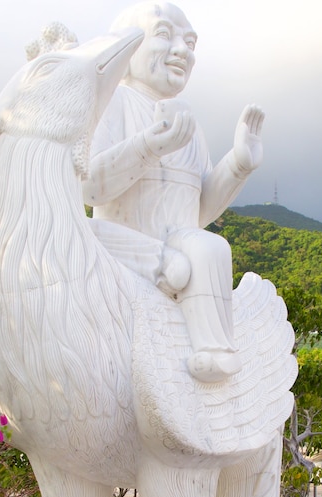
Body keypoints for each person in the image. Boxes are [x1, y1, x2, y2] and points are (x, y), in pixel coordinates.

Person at [83, 2, 265, 383]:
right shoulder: (112, 102)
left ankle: (216, 353)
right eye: (165, 35)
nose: (182, 50)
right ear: (127, 45)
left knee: (211, 246)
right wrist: (148, 146)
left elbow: (198, 210)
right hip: (122, 247)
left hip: (181, 244)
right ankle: (166, 265)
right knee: (84, 233)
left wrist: (238, 164)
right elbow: (90, 188)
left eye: (190, 41)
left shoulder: (190, 125)